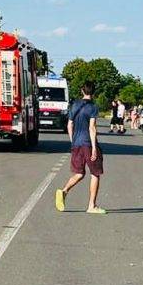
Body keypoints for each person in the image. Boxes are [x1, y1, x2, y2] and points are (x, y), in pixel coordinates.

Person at [55, 81, 105, 214]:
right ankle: (91, 206)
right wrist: (94, 147)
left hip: (77, 143)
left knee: (79, 173)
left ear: (82, 91)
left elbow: (69, 125)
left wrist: (73, 141)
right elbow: (92, 127)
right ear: (93, 92)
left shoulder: (74, 105)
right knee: (95, 173)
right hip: (88, 143)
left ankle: (64, 191)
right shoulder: (93, 107)